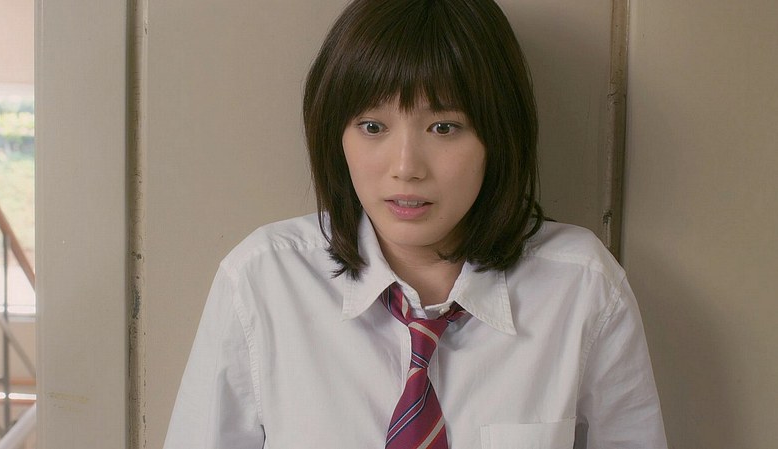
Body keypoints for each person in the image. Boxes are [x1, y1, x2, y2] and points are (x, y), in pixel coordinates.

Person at [164, 0, 668, 447]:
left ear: (498, 135)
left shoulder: (582, 288)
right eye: (373, 126)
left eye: (443, 127)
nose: (406, 166)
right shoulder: (262, 282)